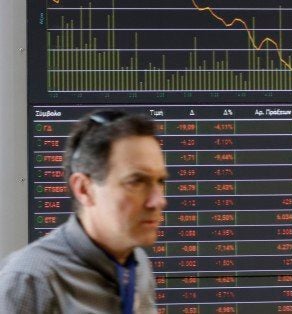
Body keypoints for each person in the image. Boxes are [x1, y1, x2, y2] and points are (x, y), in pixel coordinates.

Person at [0, 110, 168, 313]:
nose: (158, 200)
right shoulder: (31, 279)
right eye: (136, 182)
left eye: (160, 181)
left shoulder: (138, 264)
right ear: (84, 189)